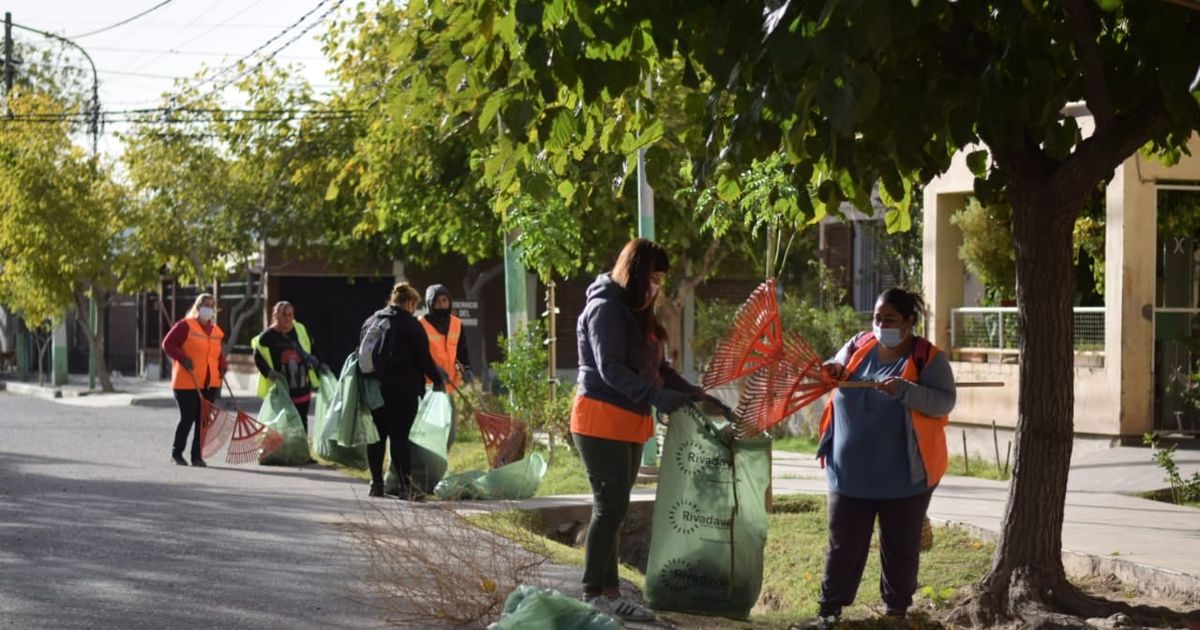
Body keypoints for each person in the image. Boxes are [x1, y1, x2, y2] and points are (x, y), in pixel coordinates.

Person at [571, 238, 717, 622]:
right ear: (634, 274)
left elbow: (659, 370)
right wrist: (656, 397)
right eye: (652, 277)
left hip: (630, 420)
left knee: (616, 508)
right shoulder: (604, 308)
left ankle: (611, 593)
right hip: (600, 416)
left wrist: (693, 394)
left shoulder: (639, 312)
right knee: (610, 505)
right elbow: (611, 369)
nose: (657, 285)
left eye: (661, 279)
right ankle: (593, 593)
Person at [812, 287, 957, 628]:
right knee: (843, 546)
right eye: (877, 318)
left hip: (905, 479)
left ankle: (896, 612)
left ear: (909, 322)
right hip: (848, 476)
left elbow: (944, 402)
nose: (881, 325)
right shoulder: (858, 345)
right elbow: (833, 367)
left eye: (889, 319)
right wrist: (831, 368)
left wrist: (905, 390)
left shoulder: (927, 358)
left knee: (900, 549)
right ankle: (829, 611)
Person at [361, 282, 444, 499]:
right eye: (414, 305)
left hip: (374, 389)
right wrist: (437, 380)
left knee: (377, 437)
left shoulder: (372, 320)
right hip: (402, 390)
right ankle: (406, 488)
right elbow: (424, 359)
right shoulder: (411, 325)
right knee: (399, 437)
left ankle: (376, 484)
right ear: (409, 303)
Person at [161, 293, 228, 467]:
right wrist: (182, 358)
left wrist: (222, 365)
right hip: (186, 382)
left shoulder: (215, 331)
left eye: (212, 306)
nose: (209, 309)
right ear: (198, 308)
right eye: (206, 305)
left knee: (203, 421)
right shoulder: (185, 326)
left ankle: (197, 456)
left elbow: (217, 352)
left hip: (209, 382)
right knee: (188, 417)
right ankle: (177, 453)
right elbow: (167, 344)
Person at [251, 301, 321, 433]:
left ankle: (301, 451)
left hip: (302, 387)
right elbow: (258, 357)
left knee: (302, 420)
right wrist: (269, 373)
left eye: (291, 315)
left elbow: (312, 346)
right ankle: (285, 451)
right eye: (284, 315)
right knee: (283, 423)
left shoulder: (300, 329)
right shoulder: (267, 337)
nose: (288, 318)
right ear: (276, 316)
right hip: (282, 390)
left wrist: (318, 361)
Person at [420, 284, 474, 392]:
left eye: (445, 300)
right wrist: (432, 369)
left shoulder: (457, 324)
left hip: (451, 386)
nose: (442, 305)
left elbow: (462, 352)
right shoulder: (420, 325)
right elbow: (418, 356)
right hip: (429, 387)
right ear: (430, 304)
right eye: (437, 301)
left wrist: (467, 368)